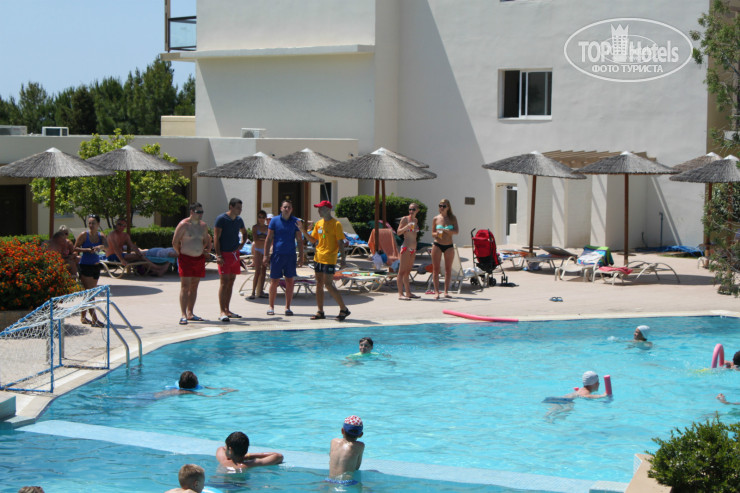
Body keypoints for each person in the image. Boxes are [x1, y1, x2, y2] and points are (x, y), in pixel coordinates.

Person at [305, 200, 350, 321]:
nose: (319, 211)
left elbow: (340, 242)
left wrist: (343, 259)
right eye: (318, 208)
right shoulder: (319, 223)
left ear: (329, 210)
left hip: (330, 258)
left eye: (321, 208)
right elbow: (313, 240)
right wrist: (303, 230)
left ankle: (344, 309)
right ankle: (320, 311)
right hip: (318, 258)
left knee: (328, 284)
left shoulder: (336, 224)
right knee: (319, 284)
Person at [173, 203, 212, 325]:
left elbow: (207, 240)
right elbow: (175, 242)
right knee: (185, 286)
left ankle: (190, 313)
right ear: (191, 212)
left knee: (194, 286)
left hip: (199, 259)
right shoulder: (183, 225)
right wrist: (180, 253)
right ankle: (183, 314)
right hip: (186, 259)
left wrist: (204, 249)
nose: (200, 214)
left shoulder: (203, 226)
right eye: (198, 212)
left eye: (202, 212)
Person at [263, 200, 304, 316]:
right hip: (277, 255)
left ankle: (287, 307)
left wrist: (301, 256)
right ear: (281, 208)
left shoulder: (296, 221)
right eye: (285, 207)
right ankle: (271, 306)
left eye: (289, 207)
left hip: (290, 255)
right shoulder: (274, 220)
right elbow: (269, 238)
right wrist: (265, 255)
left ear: (292, 209)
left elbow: (299, 240)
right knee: (274, 281)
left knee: (290, 281)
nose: (287, 209)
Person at [214, 198, 248, 322]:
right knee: (224, 282)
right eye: (238, 208)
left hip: (235, 255)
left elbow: (245, 233)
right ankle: (222, 311)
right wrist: (218, 255)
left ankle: (227, 309)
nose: (240, 210)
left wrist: (242, 244)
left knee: (231, 281)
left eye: (241, 208)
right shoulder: (221, 219)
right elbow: (216, 238)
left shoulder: (239, 220)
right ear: (231, 207)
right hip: (224, 254)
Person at [105, 218, 169, 276]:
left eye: (123, 225)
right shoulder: (112, 235)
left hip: (121, 255)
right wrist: (122, 260)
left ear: (125, 227)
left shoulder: (125, 235)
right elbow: (116, 249)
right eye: (119, 224)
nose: (121, 227)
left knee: (140, 256)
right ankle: (158, 268)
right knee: (139, 257)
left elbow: (132, 245)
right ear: (116, 225)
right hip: (112, 256)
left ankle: (156, 270)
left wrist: (139, 253)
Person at [74, 214, 107, 327]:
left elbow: (107, 246)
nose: (91, 225)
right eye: (89, 223)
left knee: (88, 294)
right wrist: (87, 250)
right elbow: (74, 248)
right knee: (90, 294)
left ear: (98, 224)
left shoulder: (101, 235)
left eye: (93, 223)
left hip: (96, 266)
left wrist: (99, 247)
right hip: (85, 266)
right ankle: (95, 319)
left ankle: (83, 317)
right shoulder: (84, 235)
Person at [430, 198, 458, 299]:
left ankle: (446, 292)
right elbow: (432, 233)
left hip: (449, 245)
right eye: (440, 206)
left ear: (448, 207)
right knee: (436, 269)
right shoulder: (436, 218)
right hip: (437, 244)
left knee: (448, 269)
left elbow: (456, 231)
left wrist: (446, 231)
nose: (441, 207)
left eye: (444, 206)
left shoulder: (452, 218)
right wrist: (436, 233)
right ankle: (436, 292)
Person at [216, 431, 284, 469]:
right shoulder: (249, 465)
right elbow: (279, 456)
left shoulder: (223, 461)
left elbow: (220, 448)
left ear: (230, 450)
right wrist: (248, 456)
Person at [397, 203, 420, 300]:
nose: (411, 211)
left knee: (407, 272)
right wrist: (406, 227)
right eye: (410, 209)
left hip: (413, 249)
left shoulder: (415, 220)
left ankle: (408, 293)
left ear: (417, 210)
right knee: (401, 272)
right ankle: (400, 294)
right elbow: (398, 232)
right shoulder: (405, 219)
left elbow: (414, 235)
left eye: (413, 209)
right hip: (406, 247)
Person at [248, 210, 269, 300]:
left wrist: (262, 238)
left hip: (265, 250)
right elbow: (256, 240)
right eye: (259, 217)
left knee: (263, 271)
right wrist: (264, 238)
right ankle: (253, 292)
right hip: (258, 250)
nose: (261, 219)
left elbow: (270, 239)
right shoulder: (255, 227)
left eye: (263, 217)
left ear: (265, 218)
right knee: (257, 271)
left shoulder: (268, 227)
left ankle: (260, 291)